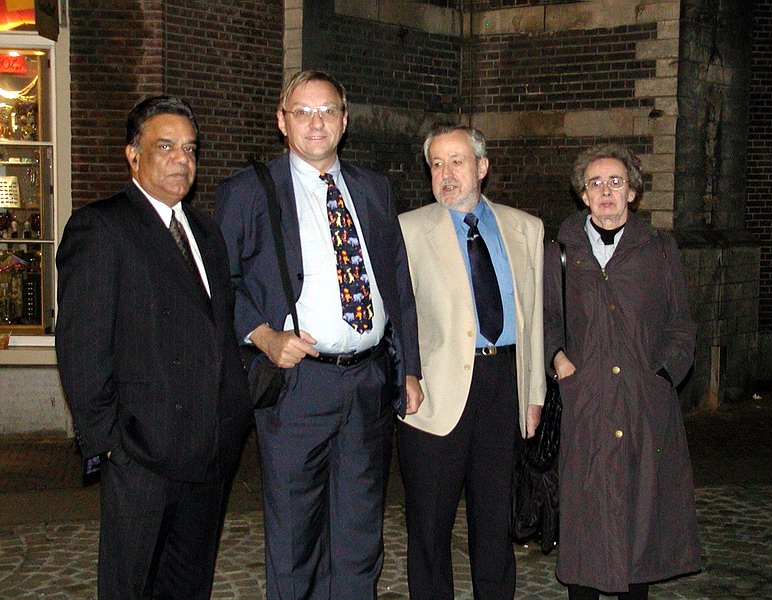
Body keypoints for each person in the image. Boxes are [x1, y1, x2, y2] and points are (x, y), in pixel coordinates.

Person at [214, 70, 423, 600]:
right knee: (294, 536)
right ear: (282, 121)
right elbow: (219, 283)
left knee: (359, 535)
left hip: (369, 383)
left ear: (345, 121)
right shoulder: (247, 191)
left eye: (328, 110)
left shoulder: (374, 189)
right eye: (303, 112)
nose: (316, 122)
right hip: (298, 387)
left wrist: (410, 368)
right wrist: (262, 336)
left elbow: (398, 285)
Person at [55, 96, 252, 599]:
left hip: (209, 453)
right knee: (132, 585)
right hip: (141, 455)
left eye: (189, 148)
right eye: (165, 146)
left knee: (189, 585)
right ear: (132, 154)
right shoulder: (102, 227)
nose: (181, 159)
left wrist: (232, 415)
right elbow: (82, 348)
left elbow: (216, 330)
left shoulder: (206, 231)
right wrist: (110, 444)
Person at [544, 144, 701, 599]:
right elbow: (549, 319)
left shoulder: (659, 250)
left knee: (639, 514)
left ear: (632, 191)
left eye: (615, 182)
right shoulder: (562, 251)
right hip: (587, 402)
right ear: (583, 195)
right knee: (585, 514)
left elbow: (681, 323)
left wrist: (663, 375)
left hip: (642, 403)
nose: (605, 191)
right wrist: (560, 362)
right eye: (595, 183)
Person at [397, 124, 546, 600]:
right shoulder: (407, 230)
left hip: (504, 382)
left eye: (457, 162)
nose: (446, 174)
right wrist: (405, 375)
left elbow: (535, 319)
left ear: (481, 167)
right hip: (434, 393)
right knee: (429, 527)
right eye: (437, 164)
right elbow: (395, 316)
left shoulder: (526, 229)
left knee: (495, 523)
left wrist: (534, 393)